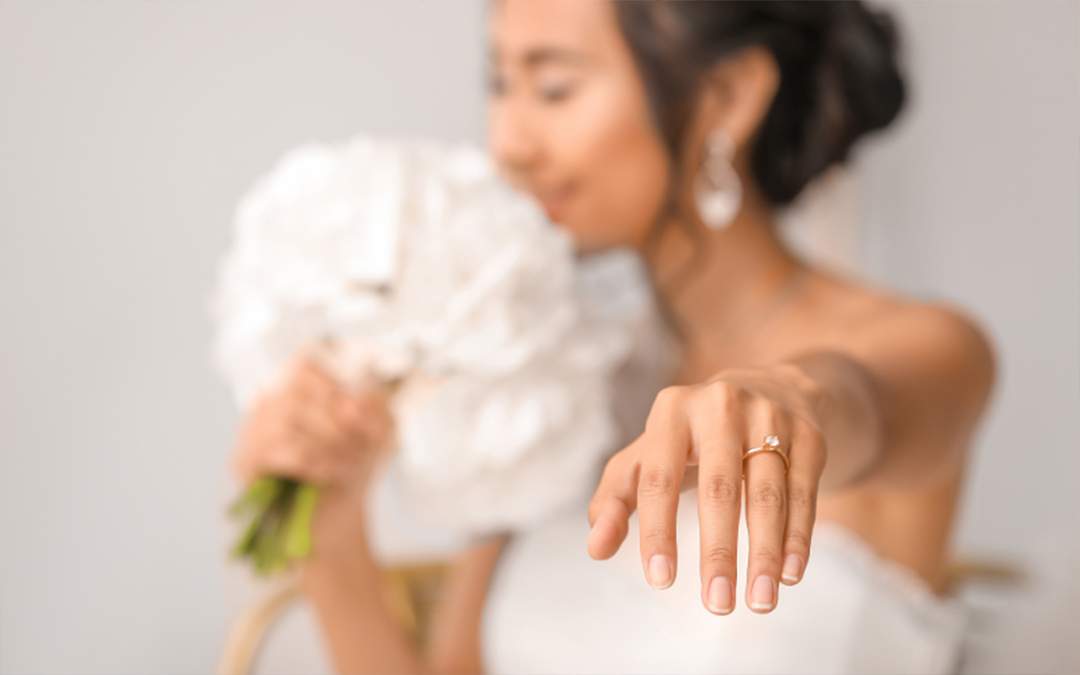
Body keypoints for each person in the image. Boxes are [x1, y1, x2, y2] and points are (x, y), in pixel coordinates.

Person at [228, 1, 998, 673]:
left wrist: (793, 401)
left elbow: (869, 407)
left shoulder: (930, 345)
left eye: (553, 86)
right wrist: (332, 536)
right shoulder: (550, 386)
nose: (510, 141)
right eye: (501, 82)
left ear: (728, 97)